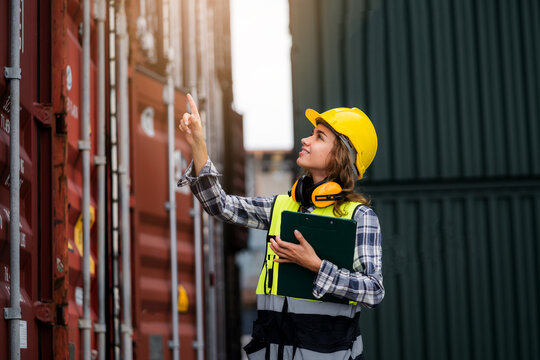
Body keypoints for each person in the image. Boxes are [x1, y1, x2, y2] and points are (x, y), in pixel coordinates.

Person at [177, 94, 384, 360]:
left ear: (342, 155)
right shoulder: (282, 205)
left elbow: (374, 290)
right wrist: (199, 145)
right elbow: (220, 205)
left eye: (319, 137)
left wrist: (317, 266)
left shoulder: (360, 217)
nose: (305, 140)